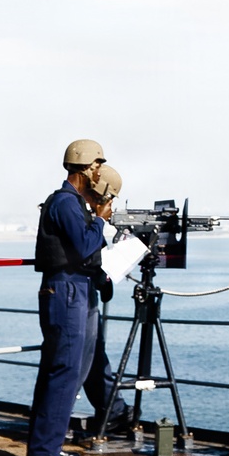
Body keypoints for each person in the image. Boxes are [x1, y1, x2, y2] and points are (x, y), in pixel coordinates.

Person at [27, 138, 110, 456]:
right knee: (62, 370)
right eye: (97, 166)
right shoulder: (64, 202)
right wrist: (101, 221)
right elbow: (83, 244)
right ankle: (44, 452)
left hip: (76, 287)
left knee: (68, 370)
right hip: (66, 291)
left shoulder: (71, 203)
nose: (99, 172)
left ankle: (49, 445)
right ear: (84, 167)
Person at [81, 165, 133, 437]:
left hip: (83, 294)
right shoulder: (80, 212)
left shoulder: (78, 210)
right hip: (78, 295)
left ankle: (114, 410)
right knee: (80, 362)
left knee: (92, 358)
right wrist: (101, 221)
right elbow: (87, 251)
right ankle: (114, 410)